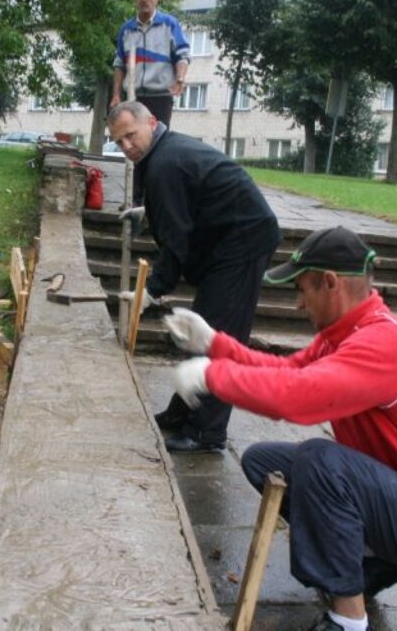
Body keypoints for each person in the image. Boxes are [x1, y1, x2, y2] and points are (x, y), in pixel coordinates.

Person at [164, 226, 397, 631]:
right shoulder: (344, 334)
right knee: (264, 461)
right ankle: (364, 569)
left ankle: (348, 620)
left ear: (330, 283)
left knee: (320, 459)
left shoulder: (386, 342)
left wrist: (214, 377)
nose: (298, 304)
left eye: (302, 290)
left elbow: (297, 396)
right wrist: (215, 345)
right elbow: (289, 370)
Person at [107, 100, 281, 454]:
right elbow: (185, 200)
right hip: (226, 238)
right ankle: (182, 411)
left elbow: (177, 239)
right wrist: (149, 211)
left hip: (242, 243)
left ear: (152, 122)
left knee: (219, 335)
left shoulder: (163, 164)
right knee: (203, 327)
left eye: (130, 135)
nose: (126, 147)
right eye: (118, 141)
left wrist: (151, 292)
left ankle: (207, 433)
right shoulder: (163, 154)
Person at [110, 0, 190, 205]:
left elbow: (182, 55)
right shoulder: (127, 29)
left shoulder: (169, 24)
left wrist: (180, 78)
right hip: (135, 97)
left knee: (156, 148)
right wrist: (117, 95)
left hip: (160, 95)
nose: (144, 0)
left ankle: (153, 199)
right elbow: (119, 64)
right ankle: (134, 199)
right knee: (132, 147)